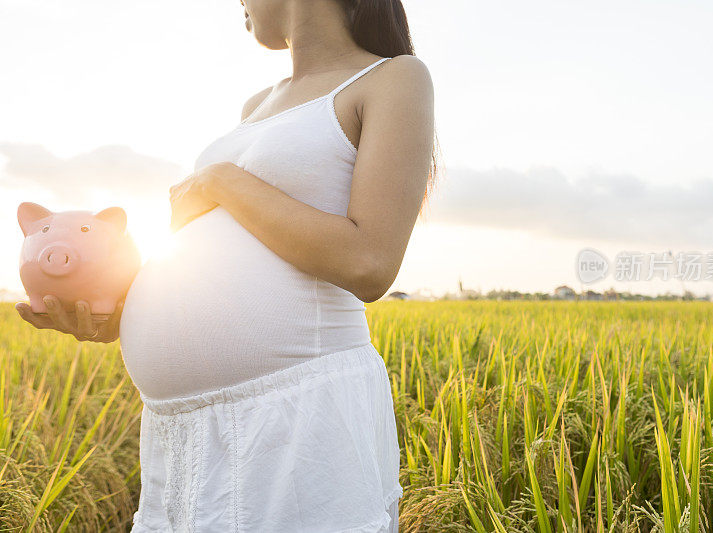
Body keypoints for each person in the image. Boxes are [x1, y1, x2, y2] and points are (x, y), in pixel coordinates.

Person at [15, 0, 436, 530]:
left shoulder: (392, 78)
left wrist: (222, 181)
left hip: (294, 415)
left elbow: (370, 262)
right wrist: (121, 314)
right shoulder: (257, 104)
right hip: (182, 430)